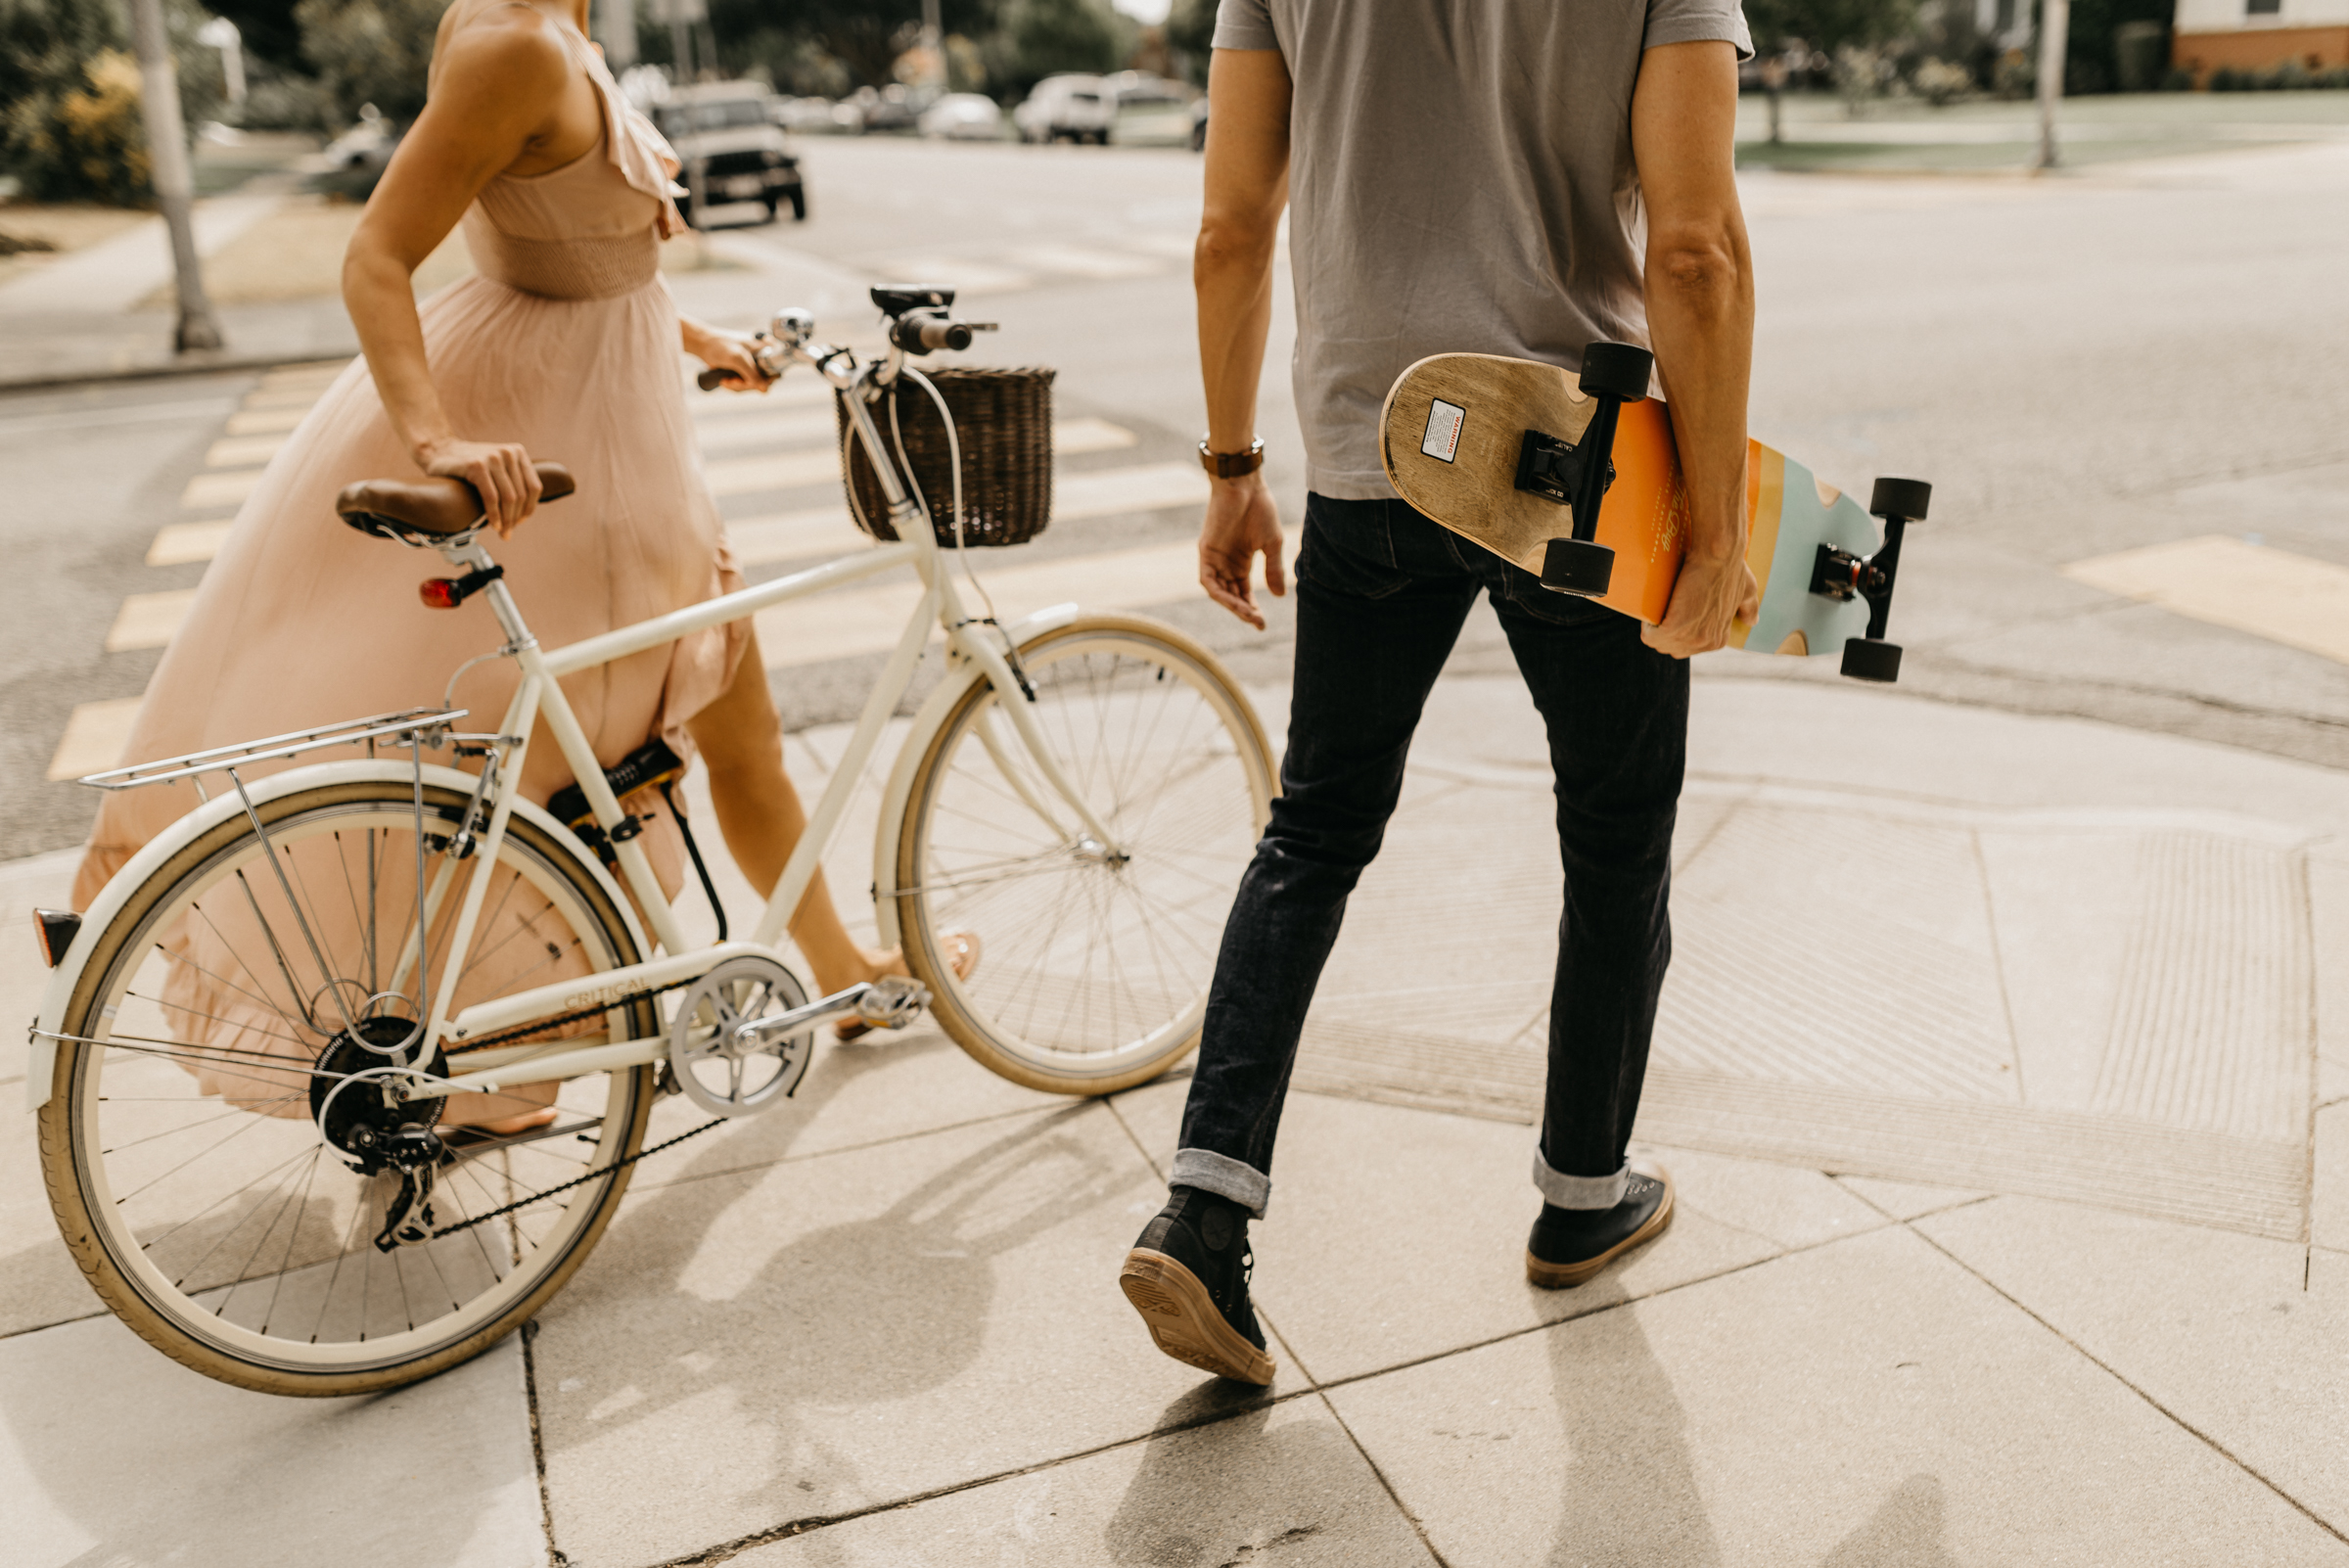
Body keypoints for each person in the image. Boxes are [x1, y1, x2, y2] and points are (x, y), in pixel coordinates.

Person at [74, 0, 969, 1130]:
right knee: (556, 778)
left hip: (615, 424)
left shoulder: (556, 26)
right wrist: (435, 440)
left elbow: (578, 249)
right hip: (571, 452)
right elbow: (375, 257)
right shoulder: (516, 44)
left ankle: (838, 971)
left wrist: (702, 341)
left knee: (733, 727)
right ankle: (474, 1060)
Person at [1117, 0, 1759, 1384]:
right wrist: (1717, 526)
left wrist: (1233, 468)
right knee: (1614, 828)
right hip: (1578, 467)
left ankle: (1206, 1210)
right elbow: (1695, 249)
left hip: (1374, 456)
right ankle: (1584, 1189)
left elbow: (1231, 231)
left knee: (1316, 829)